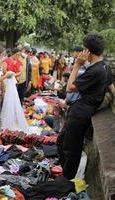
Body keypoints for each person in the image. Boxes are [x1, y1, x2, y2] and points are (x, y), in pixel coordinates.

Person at [58, 33, 113, 179]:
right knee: (61, 141)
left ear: (87, 51)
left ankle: (67, 181)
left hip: (80, 114)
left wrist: (76, 65)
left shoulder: (95, 70)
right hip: (82, 111)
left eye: (83, 49)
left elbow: (69, 87)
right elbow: (111, 88)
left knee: (72, 149)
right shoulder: (105, 68)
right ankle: (65, 175)